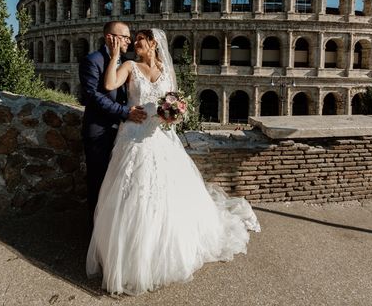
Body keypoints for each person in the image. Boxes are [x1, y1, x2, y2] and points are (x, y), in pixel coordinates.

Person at [86, 29, 260, 295]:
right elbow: (109, 85)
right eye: (134, 42)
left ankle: (163, 252)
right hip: (134, 134)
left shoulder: (167, 70)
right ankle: (132, 256)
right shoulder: (129, 65)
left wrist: (173, 115)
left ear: (153, 44)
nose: (135, 45)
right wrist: (113, 57)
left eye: (140, 42)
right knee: (134, 193)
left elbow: (176, 102)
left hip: (162, 138)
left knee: (168, 194)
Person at [79, 21, 147, 229]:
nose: (129, 40)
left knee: (117, 183)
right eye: (125, 37)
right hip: (99, 130)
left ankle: (112, 229)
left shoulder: (125, 62)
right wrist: (125, 112)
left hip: (124, 132)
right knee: (98, 181)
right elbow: (92, 97)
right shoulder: (93, 60)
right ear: (110, 38)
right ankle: (94, 231)